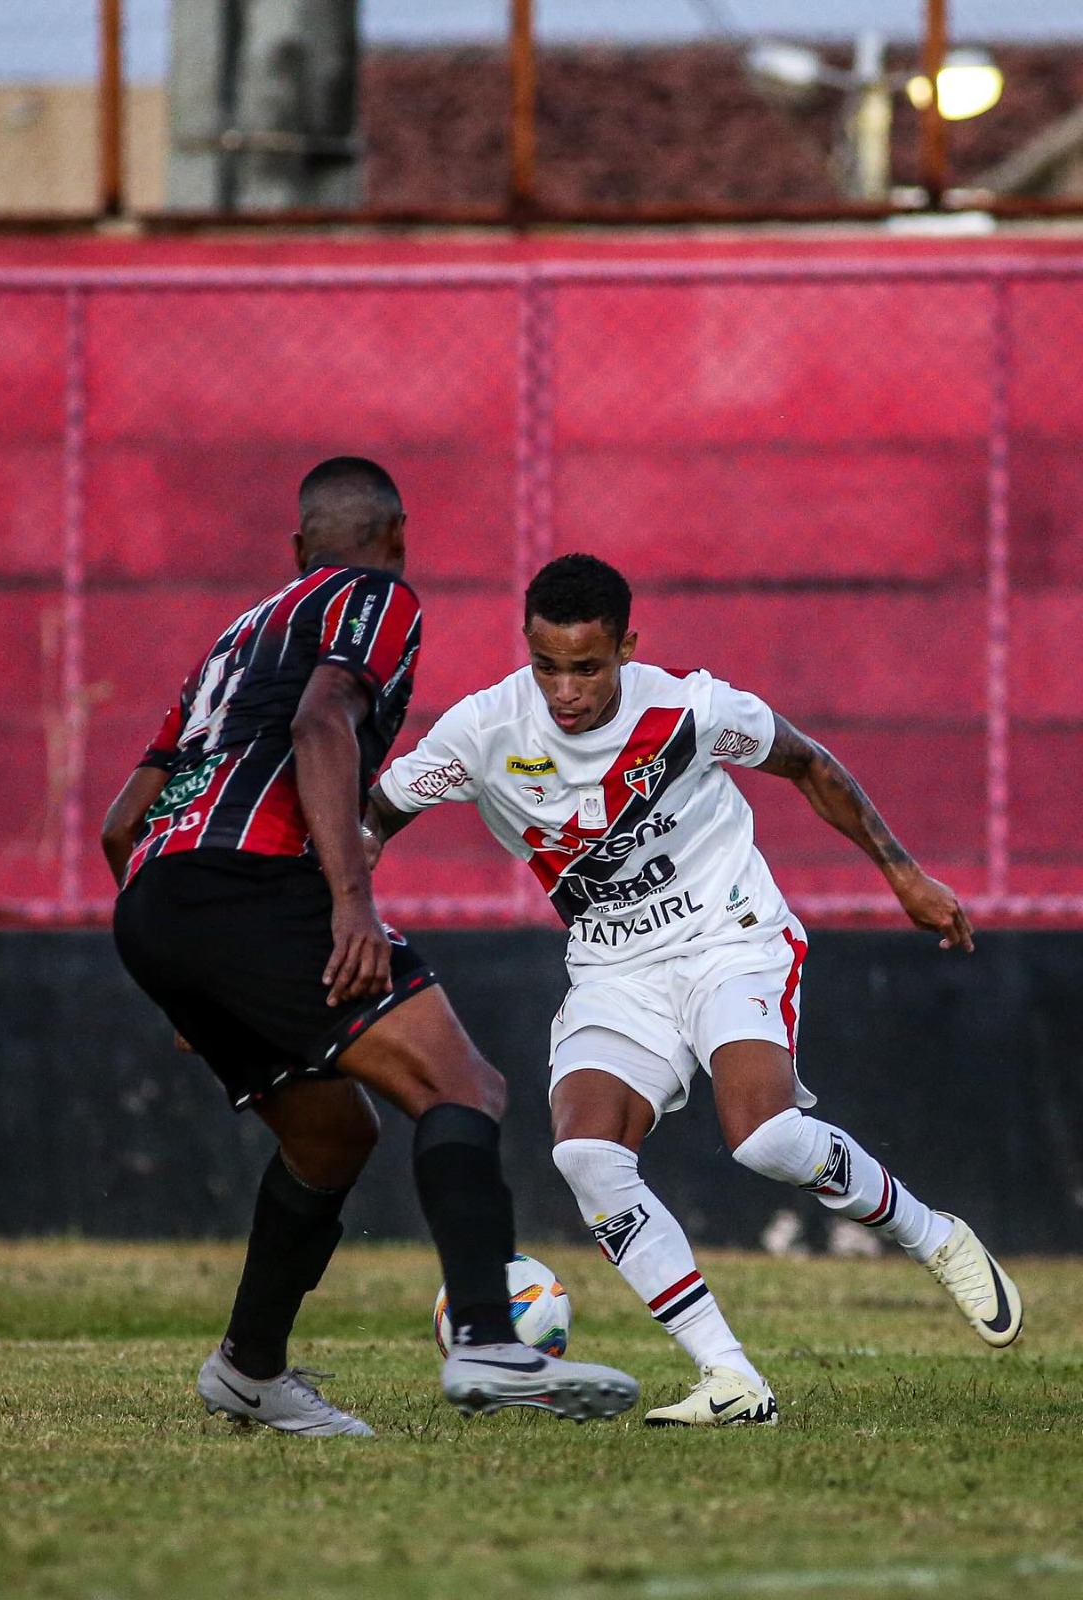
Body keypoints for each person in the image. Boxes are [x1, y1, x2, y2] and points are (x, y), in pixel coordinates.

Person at [365, 552, 1023, 1429]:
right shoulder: (481, 734)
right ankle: (732, 1379)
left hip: (731, 937)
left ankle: (930, 1234)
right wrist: (322, 912)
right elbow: (373, 815)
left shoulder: (690, 709)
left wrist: (903, 875)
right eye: (547, 665)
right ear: (526, 648)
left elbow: (811, 764)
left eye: (588, 667)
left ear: (627, 647)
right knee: (585, 1156)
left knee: (765, 1138)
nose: (566, 691)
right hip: (612, 967)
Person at [102, 465, 638, 1437]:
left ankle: (249, 1368)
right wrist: (349, 900)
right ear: (393, 532)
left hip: (153, 901)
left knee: (330, 1136)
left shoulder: (232, 642)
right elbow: (320, 720)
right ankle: (485, 1335)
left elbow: (119, 823)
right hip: (254, 886)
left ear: (295, 549)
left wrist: (192, 983)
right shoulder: (375, 597)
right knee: (461, 1086)